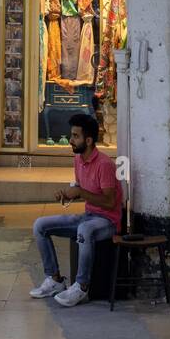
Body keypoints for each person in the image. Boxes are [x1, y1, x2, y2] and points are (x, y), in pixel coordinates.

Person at [30, 112, 122, 307]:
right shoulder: (78, 160)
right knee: (40, 225)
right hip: (88, 216)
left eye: (75, 136)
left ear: (88, 140)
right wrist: (67, 195)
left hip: (107, 222)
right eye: (71, 135)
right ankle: (55, 280)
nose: (71, 140)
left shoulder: (104, 164)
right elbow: (82, 193)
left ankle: (81, 285)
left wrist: (80, 192)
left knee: (84, 230)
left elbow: (109, 202)